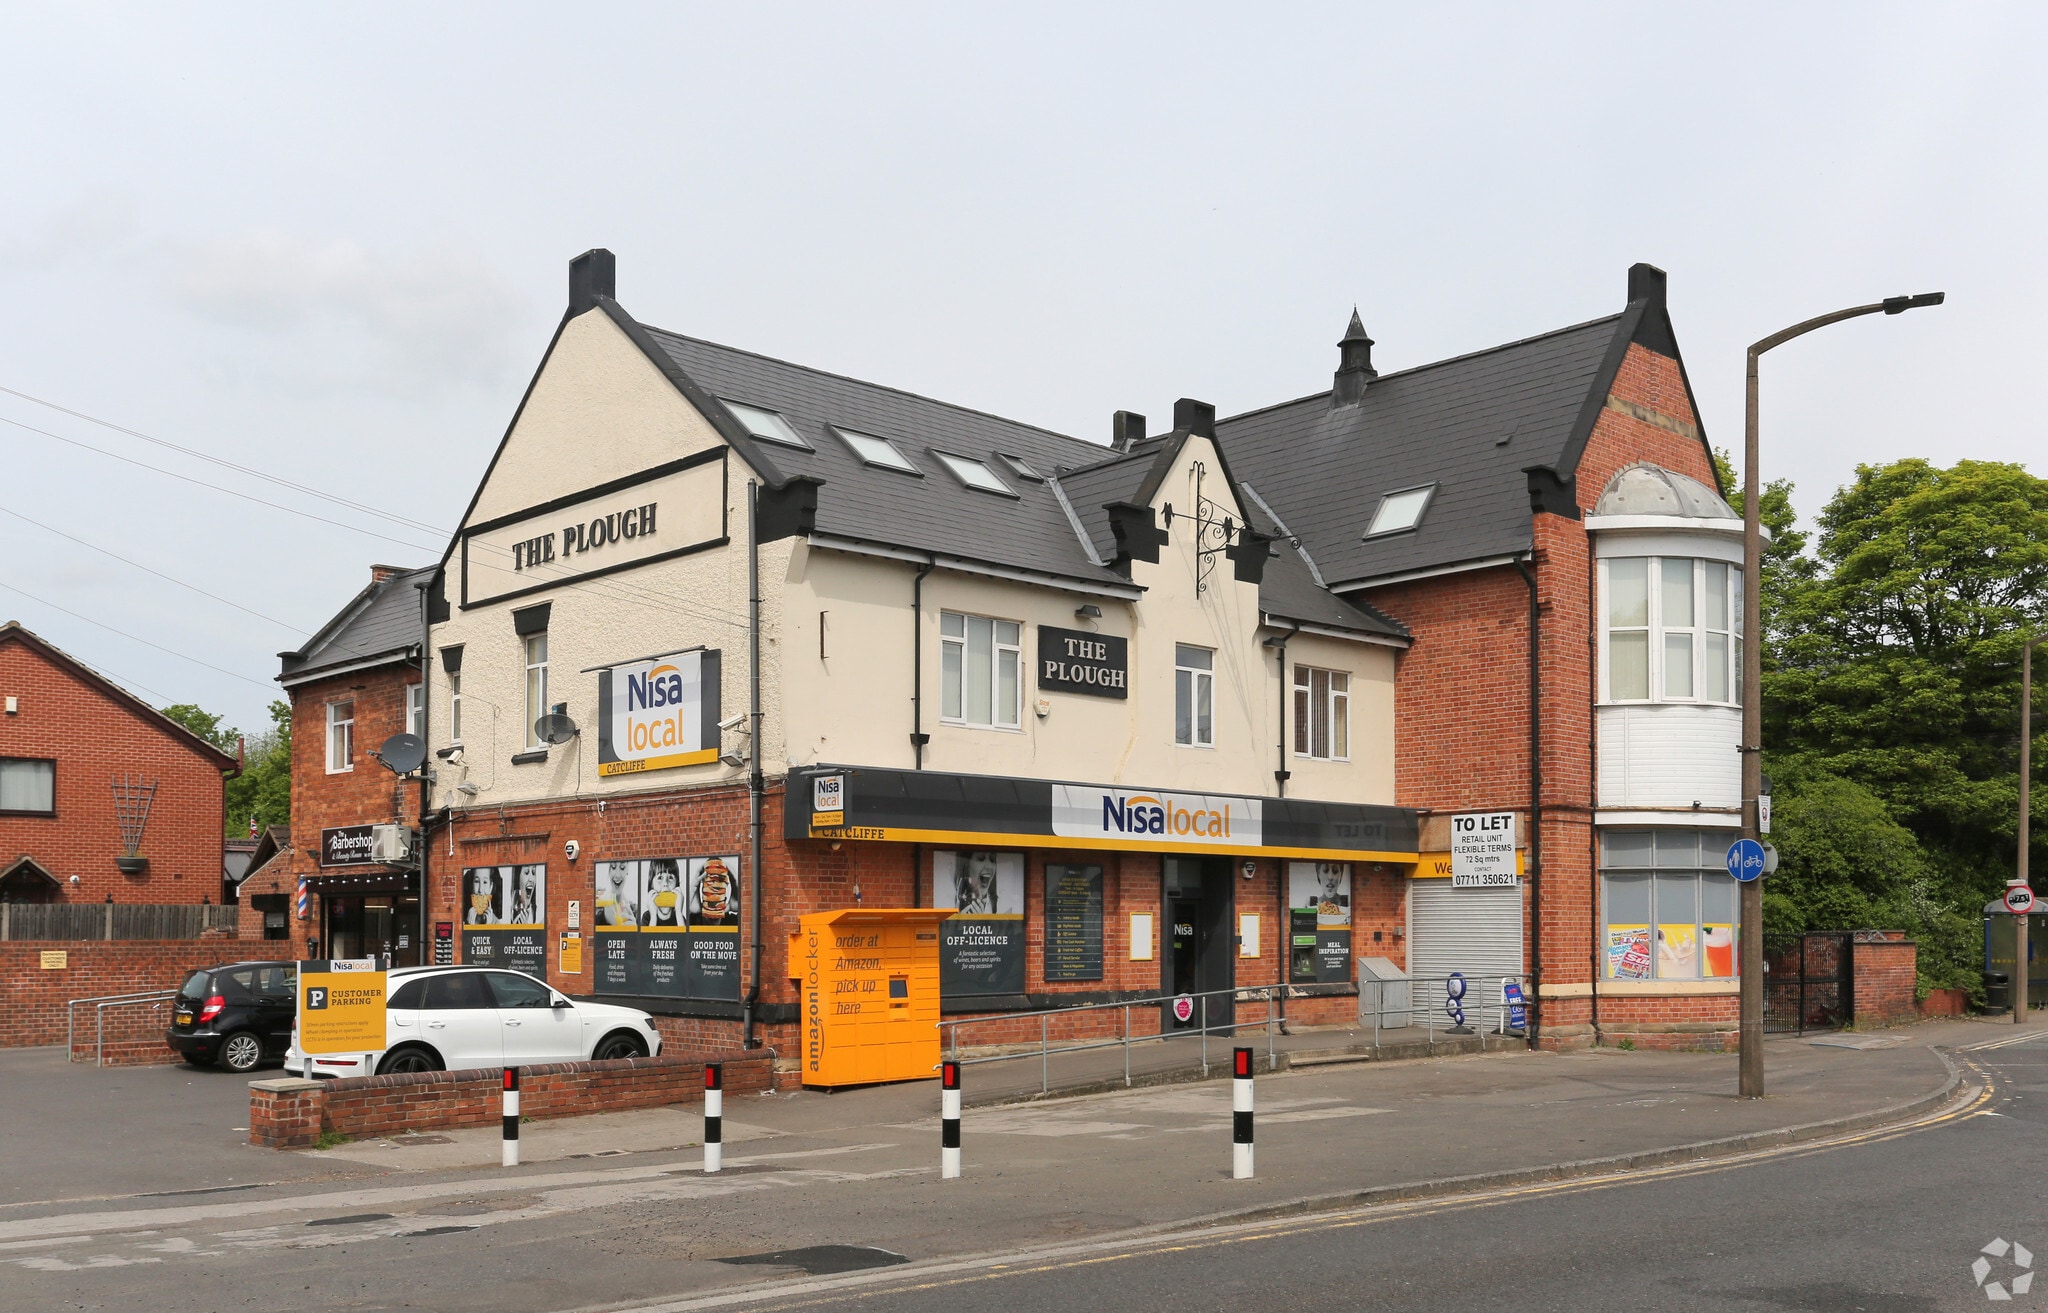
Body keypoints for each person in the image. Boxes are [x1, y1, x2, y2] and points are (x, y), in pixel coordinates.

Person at [642, 859, 683, 927]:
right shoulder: (647, 917)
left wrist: (679, 912)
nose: (665, 883)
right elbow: (648, 937)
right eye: (660, 878)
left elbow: (685, 937)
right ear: (651, 886)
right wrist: (653, 916)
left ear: (676, 886)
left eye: (670, 877)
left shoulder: (680, 918)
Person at [596, 862, 639, 928]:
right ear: (609, 871)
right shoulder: (597, 909)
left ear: (627, 870)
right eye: (613, 867)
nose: (617, 875)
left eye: (622, 868)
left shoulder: (635, 911)